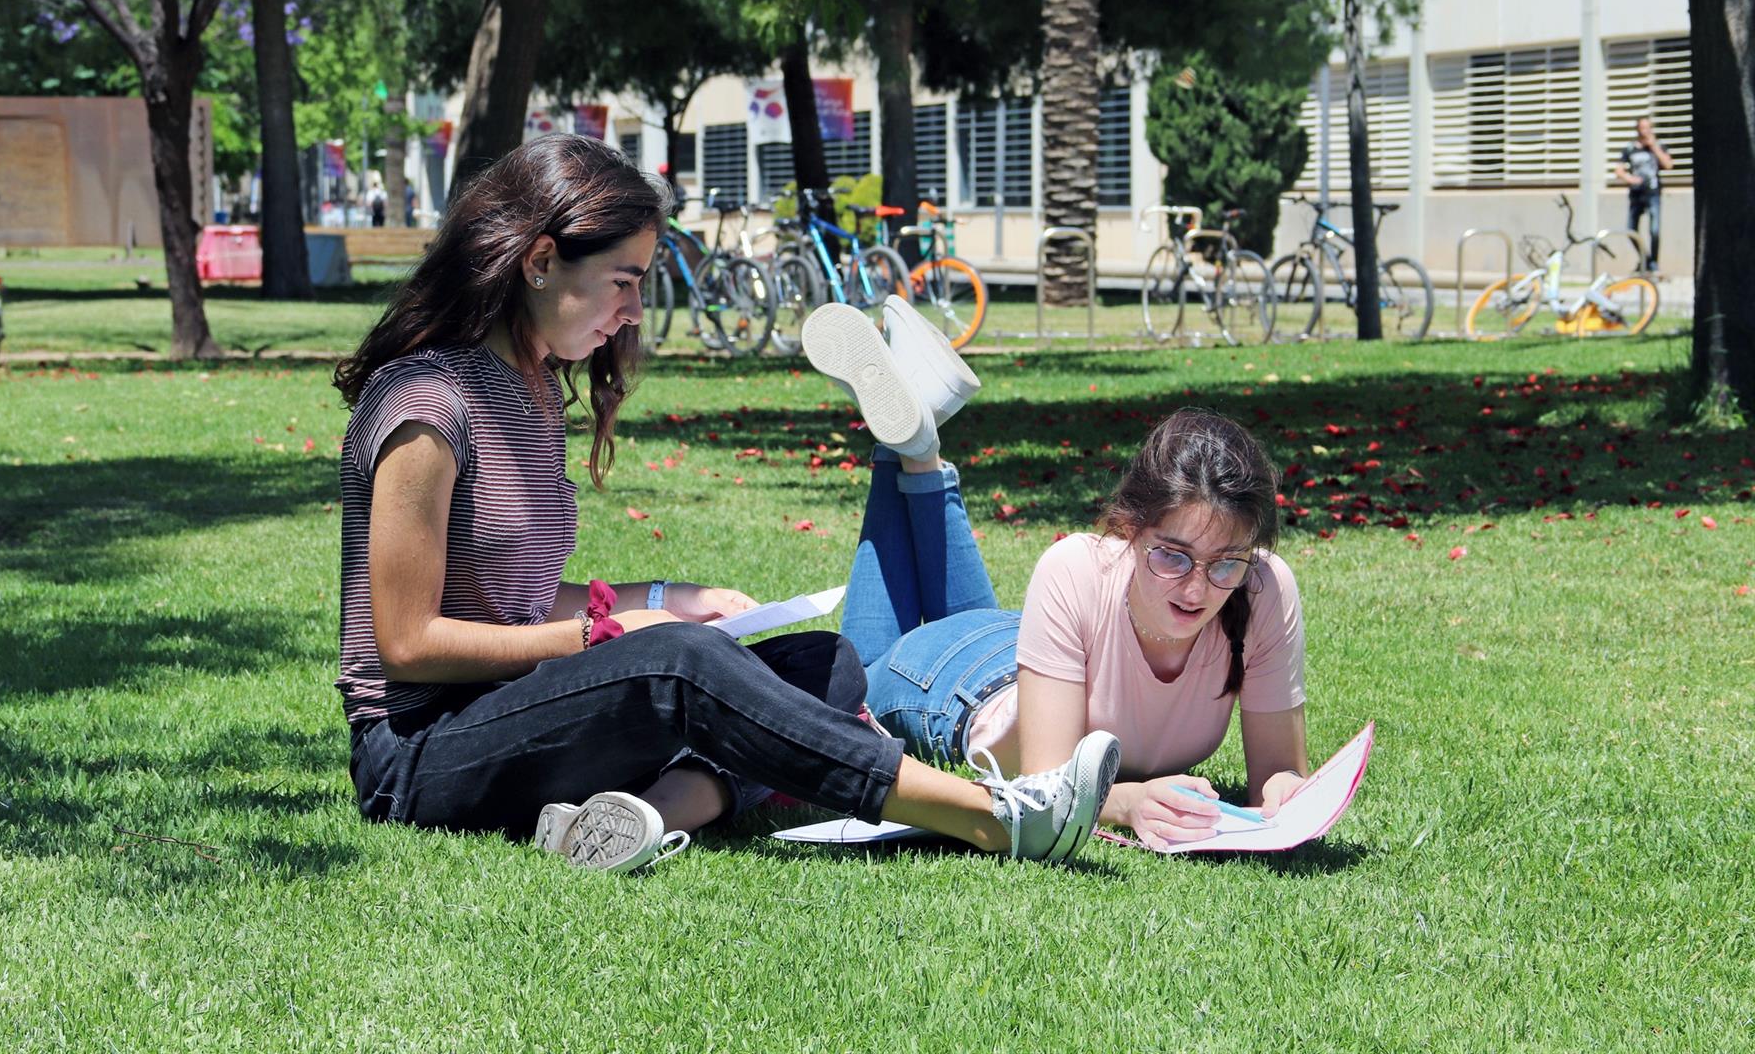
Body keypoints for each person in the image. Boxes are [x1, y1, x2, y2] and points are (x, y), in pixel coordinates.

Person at [332, 134, 1120, 873]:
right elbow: (408, 642)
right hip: (419, 753)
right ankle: (994, 815)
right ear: (541, 261)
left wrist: (665, 599)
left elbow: (510, 600)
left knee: (824, 665)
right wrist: (605, 635)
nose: (635, 313)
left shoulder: (533, 390)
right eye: (625, 281)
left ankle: (644, 814)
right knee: (682, 664)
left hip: (513, 709)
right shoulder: (426, 404)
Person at [803, 299, 1308, 852]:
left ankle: (918, 442)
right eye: (1172, 556)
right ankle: (906, 446)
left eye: (1225, 563)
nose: (1196, 588)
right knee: (848, 689)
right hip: (953, 688)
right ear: (1129, 530)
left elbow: (1279, 772)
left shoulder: (1263, 587)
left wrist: (1288, 794)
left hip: (1029, 650)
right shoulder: (1077, 566)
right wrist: (1127, 801)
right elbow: (1047, 783)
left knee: (972, 615)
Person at [1614, 116, 1673, 274]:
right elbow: (1618, 170)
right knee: (1631, 229)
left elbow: (1668, 164)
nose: (1645, 131)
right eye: (1642, 128)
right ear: (1637, 129)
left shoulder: (1658, 145)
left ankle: (1653, 265)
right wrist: (1630, 178)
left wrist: (1653, 146)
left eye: (1648, 128)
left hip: (1653, 192)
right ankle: (1646, 260)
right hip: (1636, 194)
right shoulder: (1630, 148)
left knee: (1654, 230)